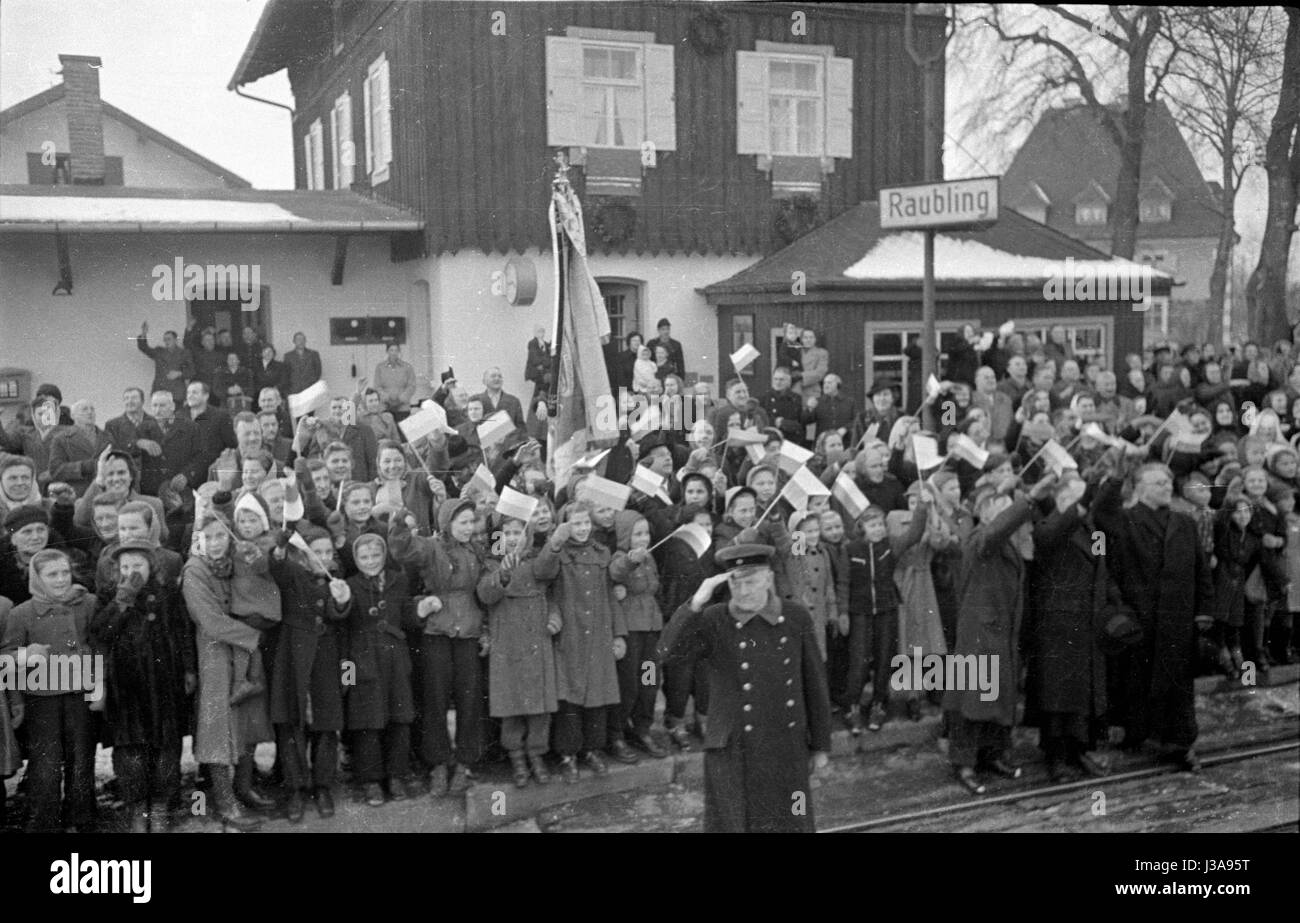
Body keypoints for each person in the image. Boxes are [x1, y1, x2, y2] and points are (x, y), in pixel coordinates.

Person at [659, 543, 832, 832]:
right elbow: (667, 652)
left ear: (768, 579)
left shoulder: (795, 617)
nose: (743, 591)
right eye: (736, 583)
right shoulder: (715, 619)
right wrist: (695, 604)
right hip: (733, 751)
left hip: (785, 748)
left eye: (751, 582)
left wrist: (821, 746)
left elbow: (814, 683)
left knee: (791, 821)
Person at [1093, 460, 1215, 772]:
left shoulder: (1184, 522)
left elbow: (1201, 570)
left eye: (1168, 482)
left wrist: (1204, 611)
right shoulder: (1125, 520)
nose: (1167, 487)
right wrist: (1116, 477)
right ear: (1140, 488)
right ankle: (1138, 734)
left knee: (1178, 686)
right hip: (1141, 618)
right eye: (1159, 483)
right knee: (1138, 681)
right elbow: (1101, 510)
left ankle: (1180, 744)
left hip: (1178, 620)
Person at [946, 473, 1057, 795]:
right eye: (1005, 508)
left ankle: (991, 754)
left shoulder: (1002, 542)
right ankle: (964, 763)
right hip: (980, 632)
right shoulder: (979, 538)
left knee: (995, 697)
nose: (1012, 513)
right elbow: (996, 530)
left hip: (999, 632)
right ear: (986, 512)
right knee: (972, 700)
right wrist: (1029, 498)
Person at [89, 539, 195, 832]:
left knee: (166, 747)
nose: (132, 571)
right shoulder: (110, 595)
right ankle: (137, 807)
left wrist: (188, 668)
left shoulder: (168, 593)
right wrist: (122, 599)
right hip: (126, 687)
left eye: (138, 565)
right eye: (125, 566)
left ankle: (160, 805)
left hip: (164, 683)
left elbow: (183, 631)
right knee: (130, 752)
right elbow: (100, 632)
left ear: (151, 566)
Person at [388, 497, 486, 794]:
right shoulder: (431, 547)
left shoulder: (477, 550)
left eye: (471, 522)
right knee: (435, 698)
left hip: (468, 631)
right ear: (447, 523)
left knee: (469, 700)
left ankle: (466, 762)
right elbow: (402, 548)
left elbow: (486, 588)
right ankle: (438, 763)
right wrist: (399, 522)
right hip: (437, 631)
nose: (468, 528)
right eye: (462, 522)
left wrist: (487, 630)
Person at [1, 548, 100, 832]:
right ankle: (43, 820)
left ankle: (81, 817)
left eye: (65, 572)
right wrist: (18, 696)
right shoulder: (22, 613)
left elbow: (100, 643)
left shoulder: (87, 603)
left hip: (80, 694)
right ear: (37, 578)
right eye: (51, 574)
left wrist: (98, 686)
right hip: (41, 699)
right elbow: (7, 659)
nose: (60, 579)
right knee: (46, 763)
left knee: (82, 758)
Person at [182, 512, 269, 831]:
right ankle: (225, 803)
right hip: (215, 654)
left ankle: (243, 788)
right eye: (209, 537)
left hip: (242, 652)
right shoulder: (195, 570)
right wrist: (253, 636)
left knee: (247, 720)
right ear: (199, 539)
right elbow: (210, 621)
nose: (216, 543)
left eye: (221, 535)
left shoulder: (235, 564)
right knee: (217, 727)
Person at [477, 509, 562, 786]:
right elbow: (485, 595)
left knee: (539, 705)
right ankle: (516, 756)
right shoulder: (491, 564)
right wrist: (502, 575)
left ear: (528, 537)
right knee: (511, 702)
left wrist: (554, 617)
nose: (513, 538)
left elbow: (550, 595)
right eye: (508, 533)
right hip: (507, 641)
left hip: (537, 639)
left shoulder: (538, 563)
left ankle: (536, 754)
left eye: (518, 533)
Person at [48, 400, 113, 497]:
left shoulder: (107, 437)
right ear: (73, 416)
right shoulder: (62, 439)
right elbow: (56, 470)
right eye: (84, 409)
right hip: (76, 494)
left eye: (92, 409)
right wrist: (84, 467)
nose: (90, 412)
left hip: (105, 493)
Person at [105, 387, 165, 480]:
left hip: (152, 478)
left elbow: (163, 449)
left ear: (142, 401)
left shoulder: (155, 422)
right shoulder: (112, 425)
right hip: (125, 477)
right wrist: (136, 443)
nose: (130, 401)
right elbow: (112, 451)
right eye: (126, 398)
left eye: (134, 398)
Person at [136, 321, 194, 404]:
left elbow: (191, 372)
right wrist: (144, 333)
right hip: (160, 392)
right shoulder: (159, 351)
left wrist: (179, 373)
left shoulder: (184, 353)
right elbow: (144, 348)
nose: (166, 342)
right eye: (165, 340)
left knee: (177, 412)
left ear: (176, 340)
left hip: (177, 393)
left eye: (169, 339)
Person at [373, 344, 416, 422]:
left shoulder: (408, 367)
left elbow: (411, 386)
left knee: (402, 428)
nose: (394, 353)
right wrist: (387, 398)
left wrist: (401, 399)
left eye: (396, 350)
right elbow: (377, 386)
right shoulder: (380, 367)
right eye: (391, 350)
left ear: (399, 352)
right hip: (385, 407)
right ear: (387, 351)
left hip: (403, 407)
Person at [284, 331, 324, 397]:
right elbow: (286, 374)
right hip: (294, 389)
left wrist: (312, 383)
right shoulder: (288, 356)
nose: (301, 341)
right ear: (294, 341)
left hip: (310, 388)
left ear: (305, 341)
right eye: (298, 339)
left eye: (303, 339)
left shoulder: (314, 354)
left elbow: (318, 371)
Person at [799, 328, 829, 395]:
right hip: (795, 390)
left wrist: (800, 375)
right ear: (801, 339)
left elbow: (820, 373)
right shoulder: (796, 352)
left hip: (812, 391)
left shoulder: (822, 353)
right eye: (805, 337)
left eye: (811, 337)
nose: (808, 340)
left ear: (815, 339)